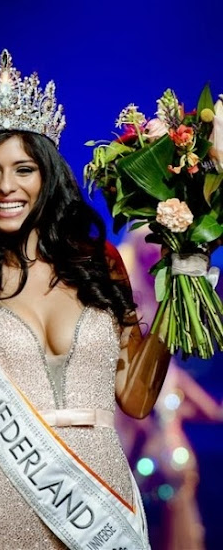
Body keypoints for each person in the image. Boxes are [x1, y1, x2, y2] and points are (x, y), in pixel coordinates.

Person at [0, 50, 173, 549]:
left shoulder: (100, 264)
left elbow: (136, 399)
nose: (6, 186)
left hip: (100, 506)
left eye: (23, 169)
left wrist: (178, 294)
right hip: (4, 505)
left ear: (47, 175)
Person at [116, 227, 223, 550]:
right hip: (130, 419)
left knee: (175, 478)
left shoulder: (165, 289)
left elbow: (168, 370)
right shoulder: (124, 294)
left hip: (160, 413)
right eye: (152, 250)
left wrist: (195, 407)